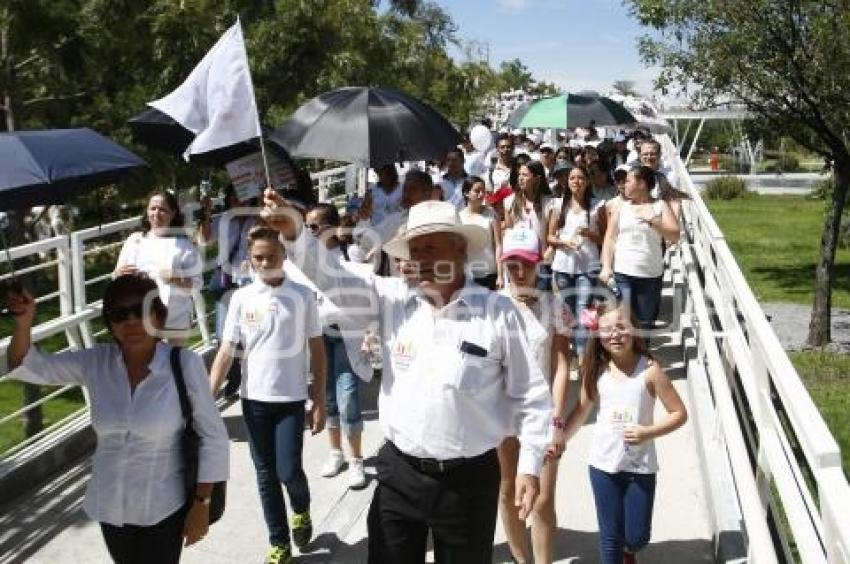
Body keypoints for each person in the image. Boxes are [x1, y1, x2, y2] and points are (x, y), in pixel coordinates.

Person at [261, 193, 553, 564]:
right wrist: (297, 234)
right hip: (399, 474)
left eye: (431, 247)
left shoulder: (498, 313)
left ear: (460, 249)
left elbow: (531, 396)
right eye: (416, 250)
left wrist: (529, 466)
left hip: (469, 483)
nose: (422, 259)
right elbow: (335, 279)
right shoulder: (391, 299)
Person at [5, 274, 229, 564]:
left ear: (158, 317)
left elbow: (213, 438)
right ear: (110, 323)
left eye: (141, 311)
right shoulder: (98, 362)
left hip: (162, 506)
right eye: (119, 314)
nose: (131, 321)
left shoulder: (184, 364)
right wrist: (23, 323)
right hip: (111, 505)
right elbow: (27, 366)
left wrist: (202, 504)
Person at [208, 226, 327, 564]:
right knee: (265, 476)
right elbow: (225, 353)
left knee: (288, 471)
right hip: (254, 401)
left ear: (283, 256)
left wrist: (318, 400)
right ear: (250, 259)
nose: (264, 263)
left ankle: (301, 509)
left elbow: (318, 351)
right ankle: (279, 543)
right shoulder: (241, 299)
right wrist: (205, 398)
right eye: (258, 258)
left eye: (271, 257)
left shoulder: (303, 296)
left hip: (290, 401)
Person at [562, 303, 688, 564]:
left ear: (634, 331)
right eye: (606, 330)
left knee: (637, 535)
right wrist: (559, 441)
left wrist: (648, 432)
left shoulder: (650, 371)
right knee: (610, 539)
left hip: (639, 467)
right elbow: (582, 410)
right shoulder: (596, 370)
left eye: (621, 327)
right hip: (603, 465)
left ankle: (630, 551)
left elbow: (679, 413)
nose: (614, 335)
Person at [497, 227, 572, 564]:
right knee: (508, 492)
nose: (518, 270)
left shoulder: (555, 306)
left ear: (538, 262)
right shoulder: (491, 306)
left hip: (542, 414)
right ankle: (521, 560)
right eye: (511, 262)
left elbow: (561, 365)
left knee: (542, 497)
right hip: (501, 415)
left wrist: (557, 419)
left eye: (525, 262)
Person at [305, 204, 369, 490]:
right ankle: (336, 452)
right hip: (318, 335)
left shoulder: (350, 255)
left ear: (331, 227)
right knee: (326, 395)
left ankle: (356, 459)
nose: (310, 231)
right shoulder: (304, 260)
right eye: (306, 226)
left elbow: (362, 295)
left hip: (346, 333)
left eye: (315, 226)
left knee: (347, 396)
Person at [115, 190, 203, 344]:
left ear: (173, 213)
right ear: (147, 211)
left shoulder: (185, 244)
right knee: (147, 362)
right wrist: (119, 274)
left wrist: (176, 278)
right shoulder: (135, 241)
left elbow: (197, 283)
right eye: (153, 208)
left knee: (175, 360)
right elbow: (116, 276)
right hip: (142, 314)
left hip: (176, 316)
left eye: (163, 209)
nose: (157, 213)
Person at [600, 167, 680, 332]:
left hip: (650, 274)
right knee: (624, 321)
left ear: (642, 184)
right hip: (622, 273)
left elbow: (674, 235)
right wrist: (606, 267)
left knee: (644, 324)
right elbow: (610, 238)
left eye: (628, 181)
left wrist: (654, 220)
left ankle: (643, 356)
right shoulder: (620, 207)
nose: (624, 185)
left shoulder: (660, 206)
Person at [198, 184, 258, 396]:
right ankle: (233, 375)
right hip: (227, 281)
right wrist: (205, 212)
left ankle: (249, 375)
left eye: (243, 198)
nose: (239, 203)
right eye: (234, 199)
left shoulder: (258, 219)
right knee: (224, 335)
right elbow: (204, 239)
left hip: (251, 282)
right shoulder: (223, 220)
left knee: (250, 331)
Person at [549, 165, 604, 359]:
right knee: (569, 313)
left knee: (584, 311)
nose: (576, 181)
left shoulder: (597, 205)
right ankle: (576, 348)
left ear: (587, 181)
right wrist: (564, 242)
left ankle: (583, 357)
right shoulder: (558, 206)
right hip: (563, 266)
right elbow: (549, 237)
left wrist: (590, 234)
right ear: (567, 182)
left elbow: (604, 238)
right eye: (572, 178)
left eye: (581, 178)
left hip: (588, 267)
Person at [505, 160, 555, 292]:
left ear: (537, 178)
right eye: (519, 174)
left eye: (525, 175)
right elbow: (508, 232)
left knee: (541, 300)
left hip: (541, 261)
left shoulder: (550, 203)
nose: (520, 178)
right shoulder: (509, 202)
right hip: (517, 260)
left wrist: (547, 255)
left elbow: (552, 235)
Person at [459, 176, 502, 290]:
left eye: (483, 190)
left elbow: (498, 245)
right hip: (469, 274)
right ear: (466, 193)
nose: (481, 194)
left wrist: (500, 275)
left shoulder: (491, 213)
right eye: (477, 191)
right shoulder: (459, 217)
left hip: (490, 273)